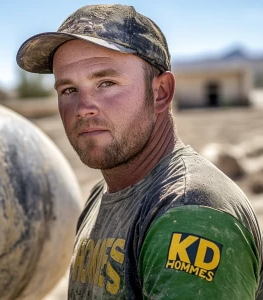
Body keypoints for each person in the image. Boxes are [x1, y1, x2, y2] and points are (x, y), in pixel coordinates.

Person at [17, 4, 263, 299]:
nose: (82, 109)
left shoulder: (188, 212)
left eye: (106, 83)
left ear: (160, 92)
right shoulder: (102, 194)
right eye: (68, 90)